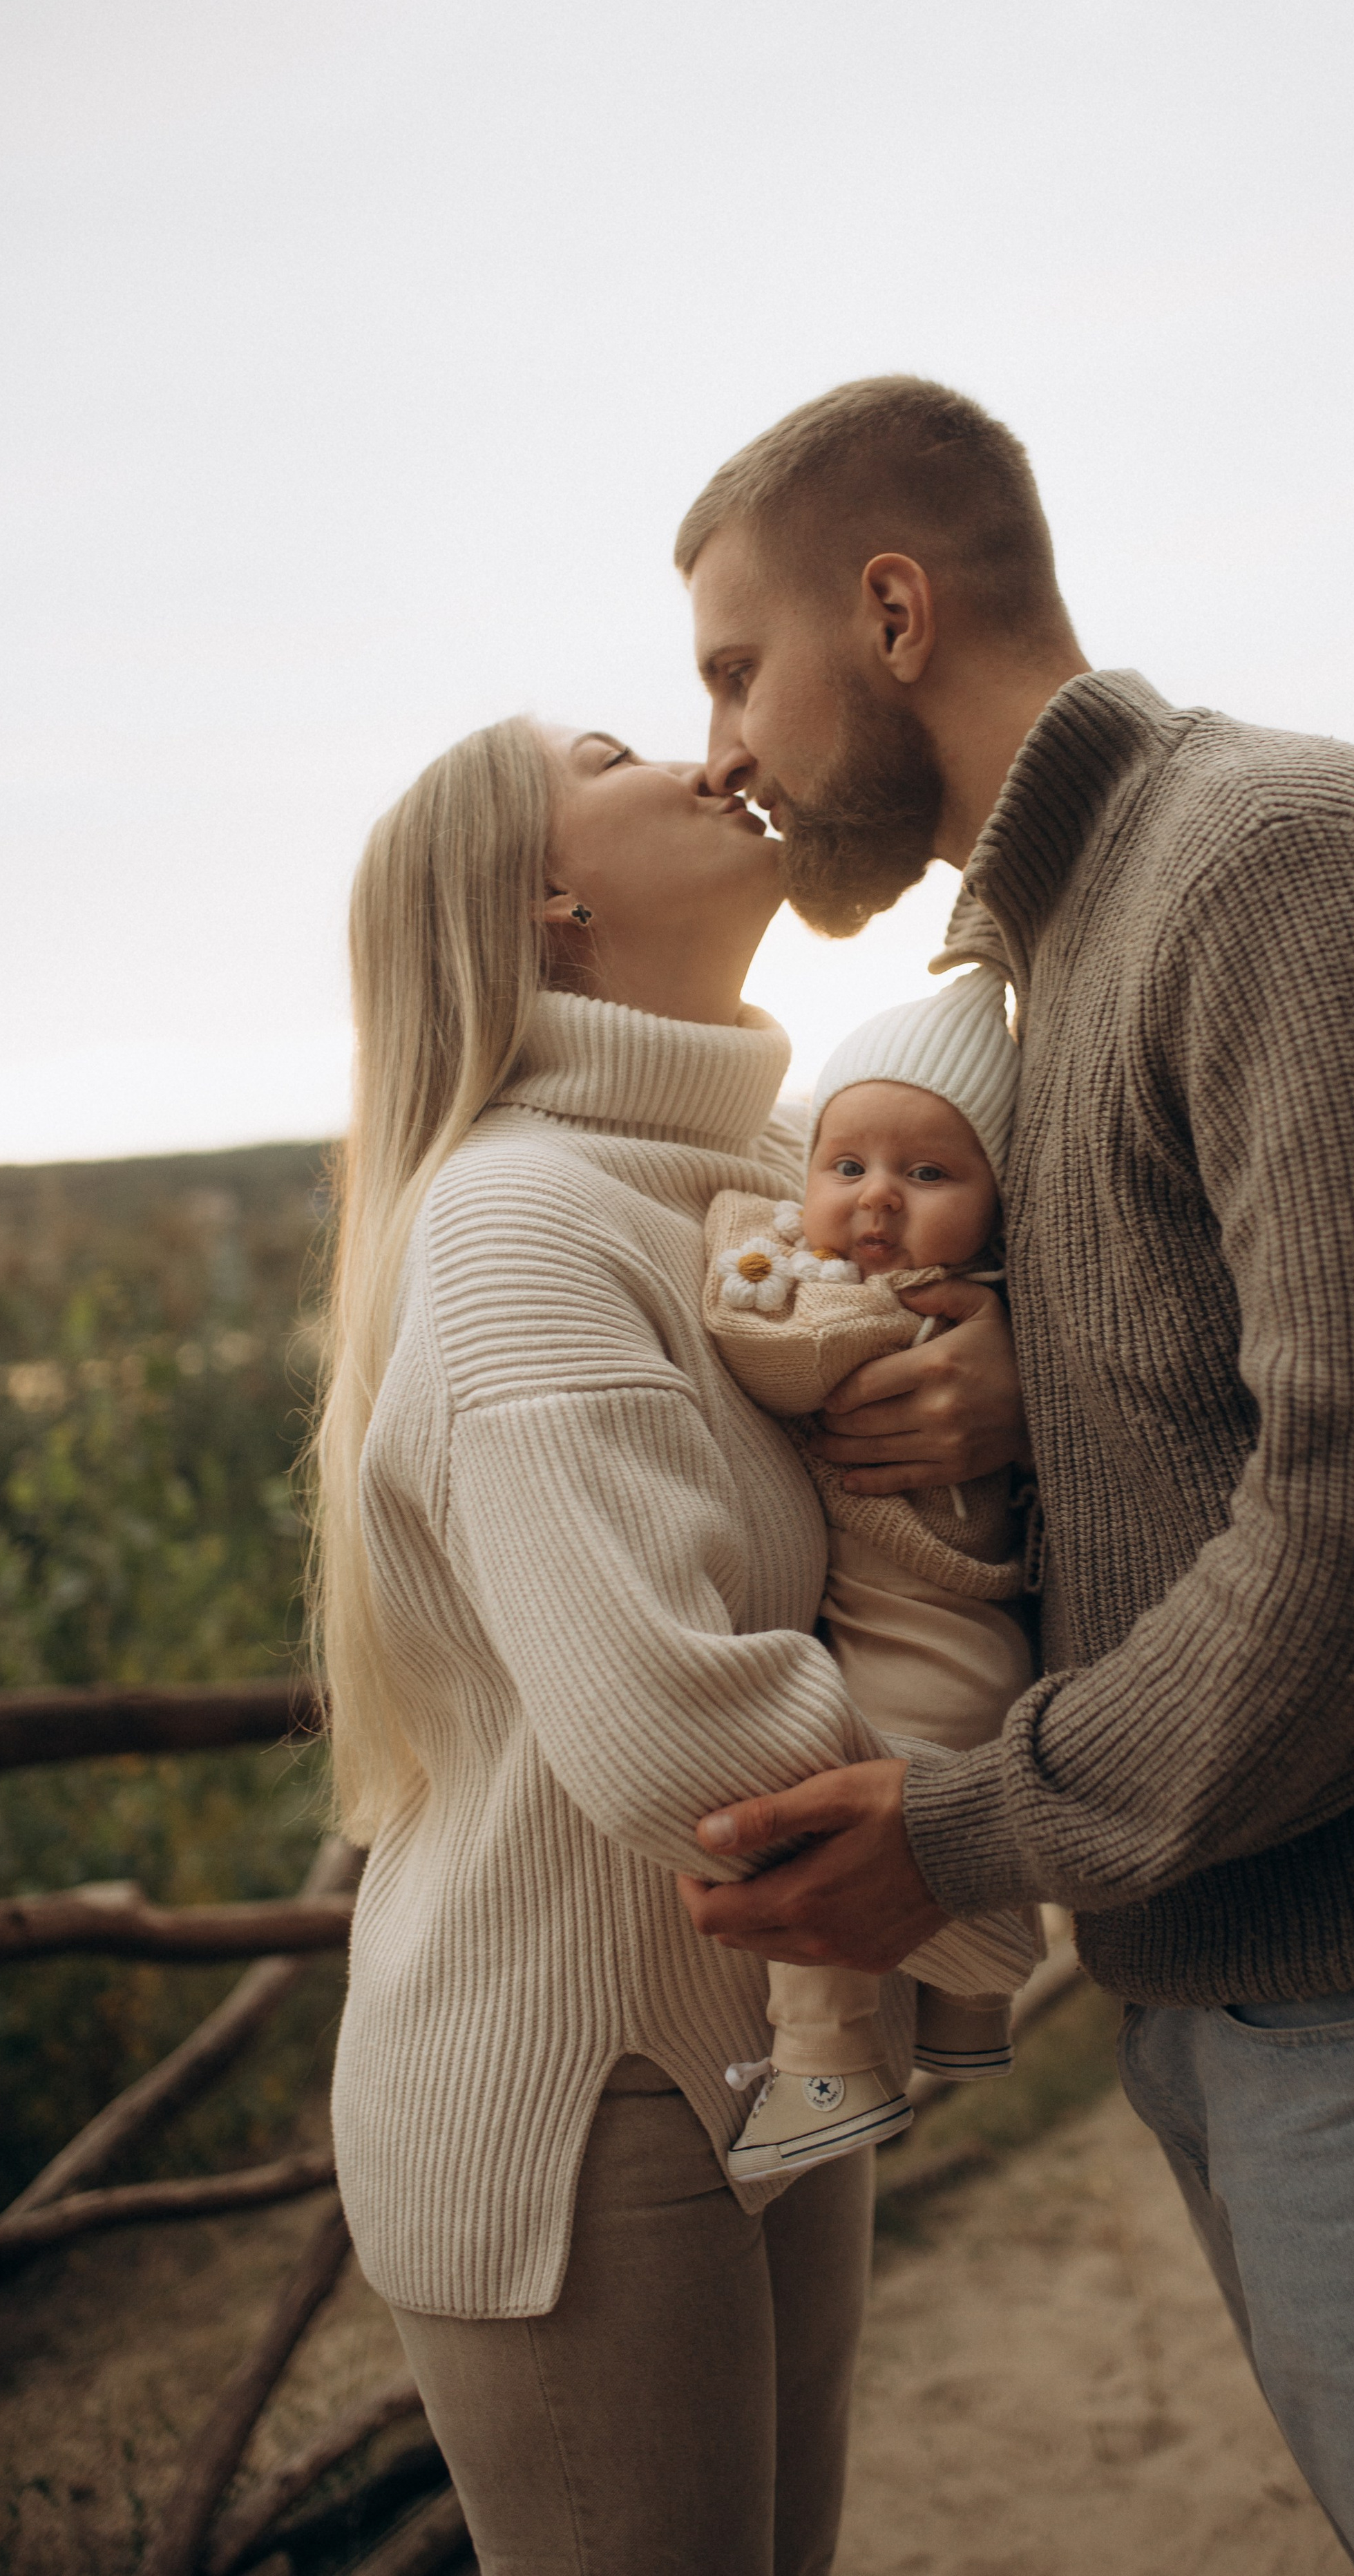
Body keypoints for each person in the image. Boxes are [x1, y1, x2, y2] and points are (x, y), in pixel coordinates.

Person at [670, 375, 1354, 2573]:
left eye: (732, 669)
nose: (717, 752)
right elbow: (1241, 1377)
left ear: (889, 610)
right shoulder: (1055, 959)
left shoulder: (1273, 862)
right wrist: (1023, 1405)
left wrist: (965, 1828)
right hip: (1296, 1984)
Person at [314, 713, 1022, 2575]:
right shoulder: (518, 1223)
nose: (715, 762)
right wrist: (1013, 1822)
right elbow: (666, 1735)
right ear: (548, 896)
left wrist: (1009, 1387)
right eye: (622, 753)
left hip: (769, 2041)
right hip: (579, 2106)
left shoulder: (781, 1172)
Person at [705, 963, 1042, 2178]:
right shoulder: (1008, 1319)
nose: (878, 1201)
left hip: (921, 1649)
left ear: (999, 1203)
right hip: (969, 1649)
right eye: (845, 1169)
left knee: (828, 1838)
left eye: (929, 1173)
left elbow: (780, 1357)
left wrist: (751, 1255)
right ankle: (966, 2017)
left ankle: (826, 2064)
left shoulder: (908, 1312)